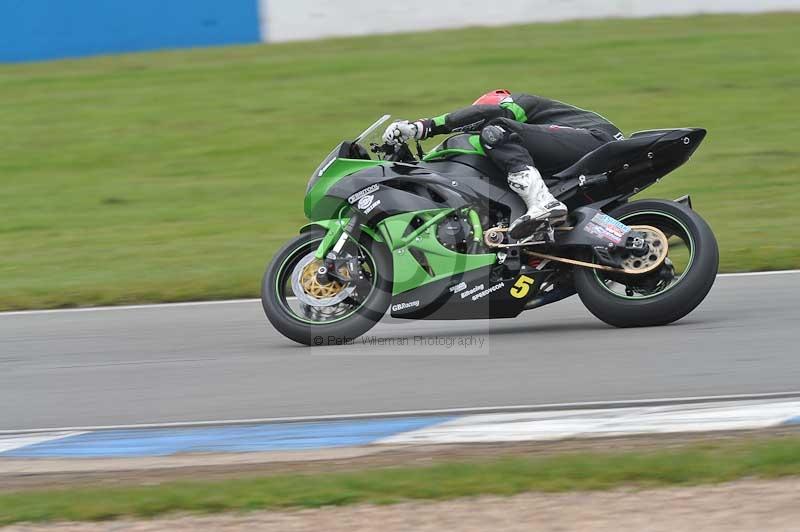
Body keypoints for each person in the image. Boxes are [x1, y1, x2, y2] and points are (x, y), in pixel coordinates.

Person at [382, 90, 625, 239]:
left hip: (597, 140)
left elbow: (491, 116)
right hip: (590, 164)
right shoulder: (532, 144)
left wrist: (424, 127)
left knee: (497, 129)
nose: (476, 135)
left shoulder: (517, 102)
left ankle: (543, 203)